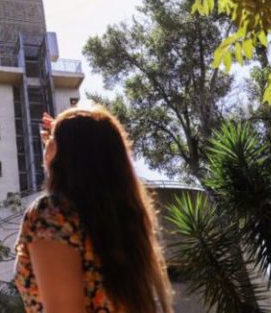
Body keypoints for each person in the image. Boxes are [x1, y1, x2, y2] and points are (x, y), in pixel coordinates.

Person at [14, 107, 174, 313]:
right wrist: (71, 132)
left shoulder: (52, 215)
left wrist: (67, 132)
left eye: (52, 140)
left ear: (64, 154)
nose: (46, 145)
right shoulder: (127, 225)